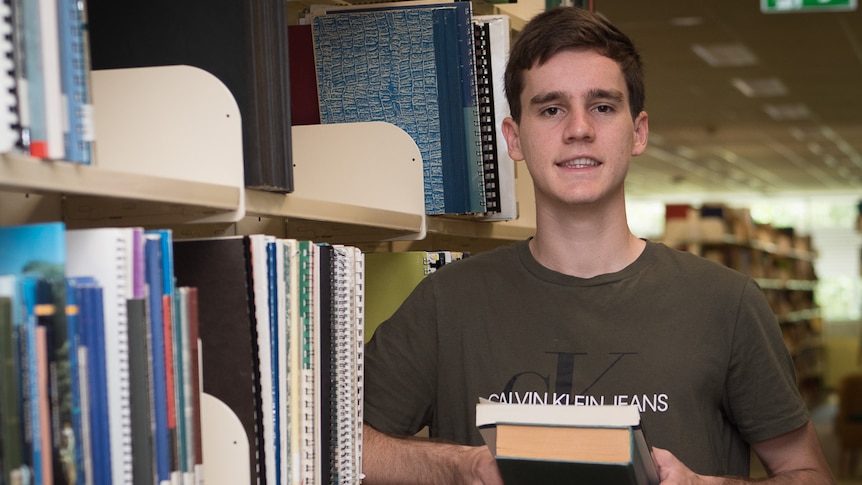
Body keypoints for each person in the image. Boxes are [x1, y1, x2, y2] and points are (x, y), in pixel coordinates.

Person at [360, 6, 835, 484]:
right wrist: (461, 468)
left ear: (639, 132)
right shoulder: (447, 302)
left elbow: (810, 473)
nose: (579, 129)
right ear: (514, 138)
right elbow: (339, 444)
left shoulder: (726, 304)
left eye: (603, 106)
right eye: (551, 109)